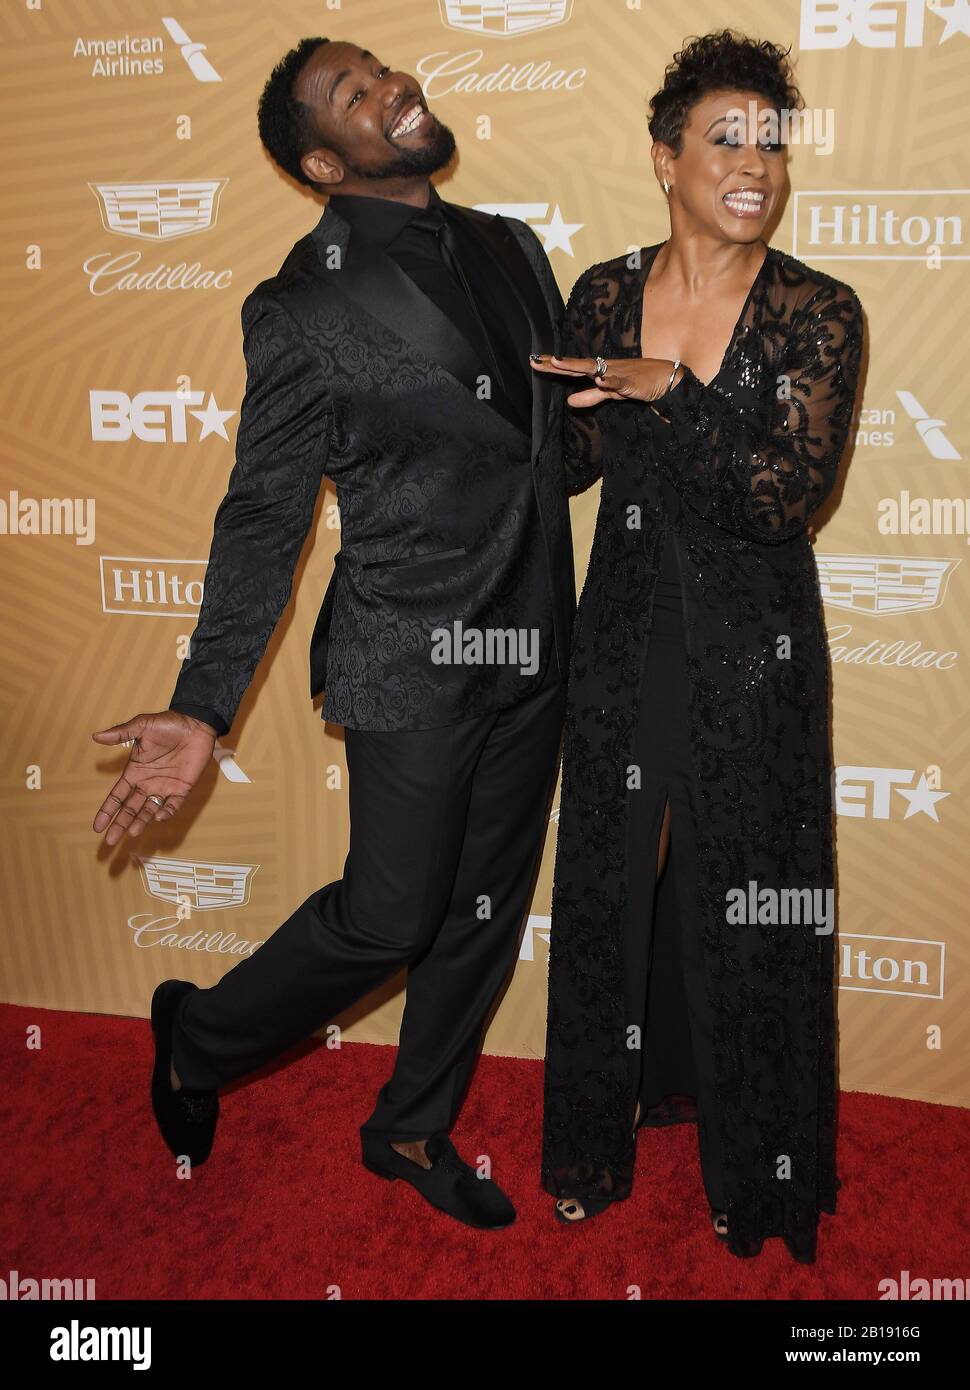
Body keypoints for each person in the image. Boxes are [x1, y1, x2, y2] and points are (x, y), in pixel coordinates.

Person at [90, 36, 575, 1231]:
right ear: (320, 160)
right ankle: (197, 1036)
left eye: (384, 71)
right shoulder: (300, 305)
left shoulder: (509, 245)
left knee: (482, 909)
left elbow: (543, 450)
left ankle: (411, 1125)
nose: (393, 89)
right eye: (355, 94)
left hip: (531, 641)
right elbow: (263, 514)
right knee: (394, 913)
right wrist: (204, 704)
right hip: (407, 655)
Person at [530, 30, 864, 1262]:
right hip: (622, 631)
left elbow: (786, 497)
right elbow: (560, 462)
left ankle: (758, 1172)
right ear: (664, 157)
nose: (755, 164)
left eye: (772, 143)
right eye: (726, 138)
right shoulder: (602, 293)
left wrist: (673, 389)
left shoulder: (818, 312)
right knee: (611, 885)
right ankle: (585, 1145)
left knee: (749, 897)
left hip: (753, 648)